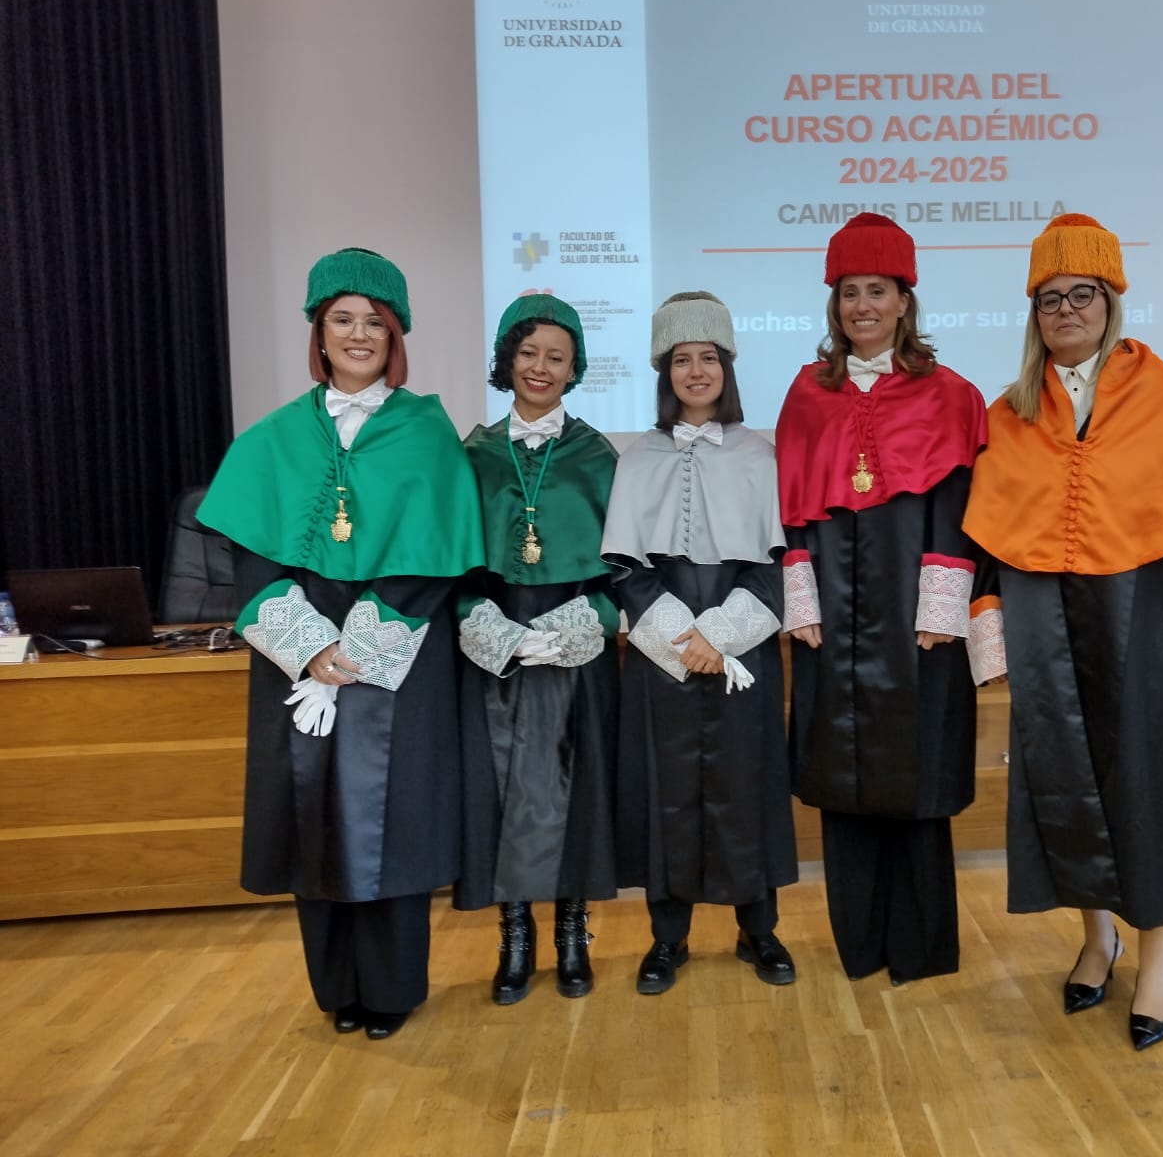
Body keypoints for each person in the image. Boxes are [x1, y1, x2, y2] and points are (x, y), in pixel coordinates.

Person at [962, 213, 1163, 1050]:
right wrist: (991, 632)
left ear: (1109, 301)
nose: (1065, 311)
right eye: (1050, 299)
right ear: (1033, 312)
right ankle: (1096, 938)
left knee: (1143, 786)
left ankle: (1156, 956)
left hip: (1143, 618)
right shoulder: (1010, 413)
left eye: (1081, 295)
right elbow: (986, 538)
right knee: (1063, 780)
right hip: (1042, 624)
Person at [198, 247, 484, 1040]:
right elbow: (251, 561)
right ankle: (336, 991)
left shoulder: (426, 432)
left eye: (374, 323)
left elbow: (434, 558)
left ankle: (390, 991)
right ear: (318, 333)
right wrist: (308, 649)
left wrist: (358, 648)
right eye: (341, 320)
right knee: (313, 816)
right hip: (297, 655)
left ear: (395, 335)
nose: (358, 335)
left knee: (392, 819)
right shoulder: (274, 438)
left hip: (397, 649)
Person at [774, 213, 988, 984]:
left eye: (876, 290)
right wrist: (801, 600)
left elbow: (957, 510)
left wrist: (941, 611)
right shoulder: (807, 394)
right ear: (833, 306)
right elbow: (791, 512)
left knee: (914, 775)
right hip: (833, 618)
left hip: (914, 620)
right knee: (842, 777)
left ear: (904, 300)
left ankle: (921, 947)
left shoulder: (949, 395)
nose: (861, 306)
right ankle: (859, 946)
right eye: (848, 293)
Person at [602, 291, 798, 994]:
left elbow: (774, 561)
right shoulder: (637, 458)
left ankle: (759, 929)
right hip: (664, 653)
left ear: (726, 367)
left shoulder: (759, 455)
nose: (695, 372)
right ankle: (667, 937)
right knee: (669, 791)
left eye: (707, 358)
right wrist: (681, 639)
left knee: (748, 786)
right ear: (665, 372)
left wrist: (719, 637)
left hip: (741, 647)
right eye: (681, 360)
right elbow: (625, 566)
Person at [455, 292, 621, 1004]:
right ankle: (515, 935)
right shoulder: (473, 455)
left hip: (573, 642)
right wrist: (483, 623)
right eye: (528, 353)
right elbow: (450, 563)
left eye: (557, 356)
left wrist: (587, 623)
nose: (541, 368)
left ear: (574, 368)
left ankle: (572, 933)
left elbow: (624, 567)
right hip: (497, 643)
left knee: (575, 786)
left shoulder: (597, 455)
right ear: (507, 360)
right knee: (502, 790)